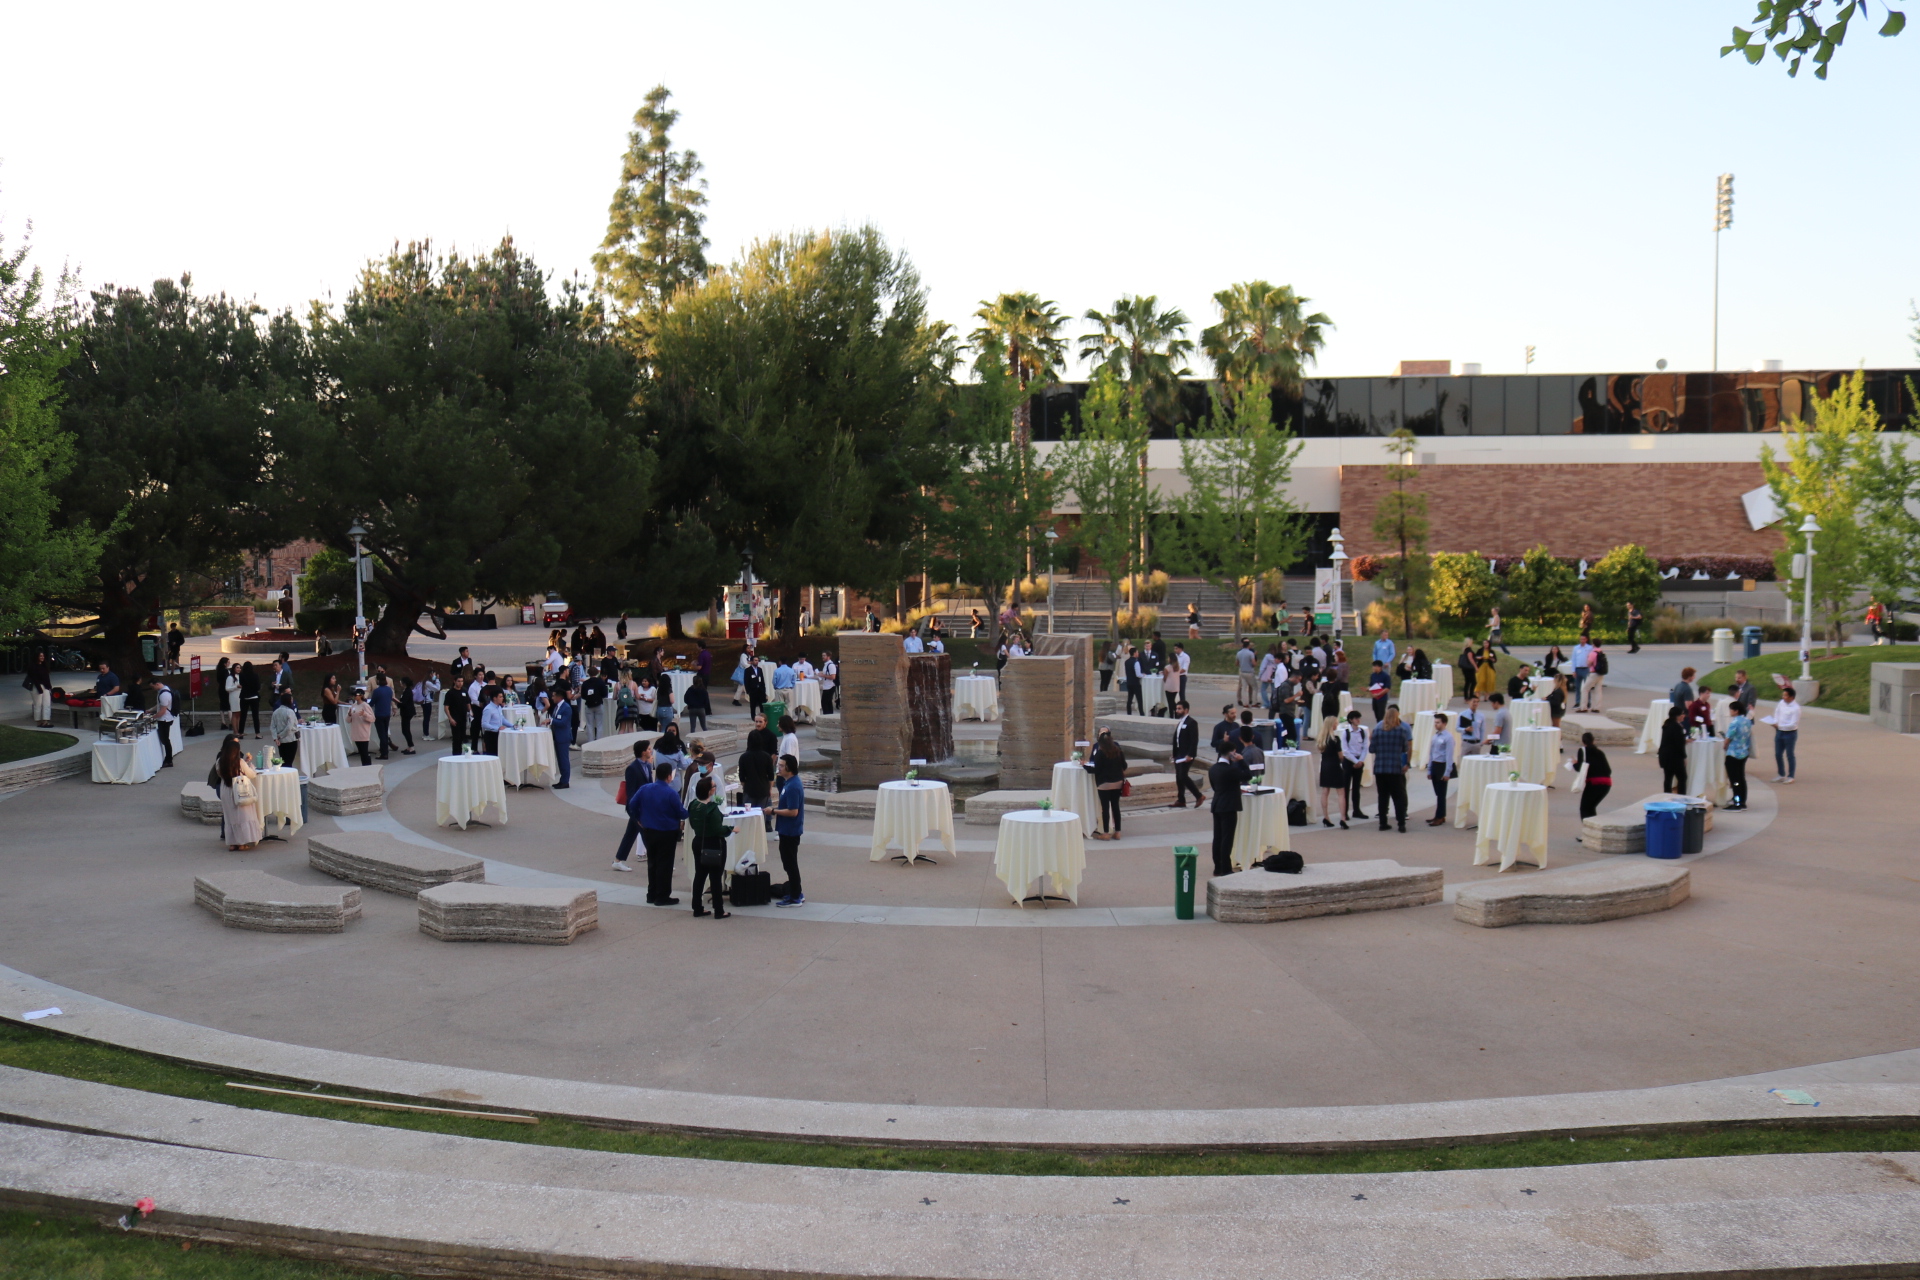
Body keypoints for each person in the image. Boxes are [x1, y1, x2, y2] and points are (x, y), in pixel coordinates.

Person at [631, 762, 687, 906]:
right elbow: (681, 812)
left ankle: (652, 893)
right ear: (669, 777)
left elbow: (632, 804)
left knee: (653, 863)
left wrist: (639, 818)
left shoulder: (645, 789)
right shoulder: (671, 793)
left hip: (649, 831)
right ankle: (662, 896)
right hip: (667, 832)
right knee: (665, 865)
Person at [686, 775, 732, 918]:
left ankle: (697, 907)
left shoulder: (693, 805)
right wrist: (730, 829)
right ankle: (719, 909)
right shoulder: (712, 809)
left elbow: (693, 824)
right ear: (709, 791)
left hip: (698, 841)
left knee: (699, 875)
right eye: (713, 786)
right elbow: (718, 829)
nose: (715, 788)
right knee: (715, 877)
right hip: (714, 844)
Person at [1206, 739, 1253, 875]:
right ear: (1232, 753)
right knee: (1227, 838)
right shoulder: (1231, 769)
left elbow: (1217, 786)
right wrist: (1241, 760)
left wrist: (1234, 788)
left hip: (1217, 804)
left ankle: (1218, 866)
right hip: (1229, 806)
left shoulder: (1213, 768)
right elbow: (1247, 775)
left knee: (1218, 837)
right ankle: (1225, 868)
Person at [611, 740, 656, 871]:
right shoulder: (632, 768)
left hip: (644, 806)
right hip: (637, 809)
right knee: (647, 834)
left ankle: (618, 860)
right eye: (648, 749)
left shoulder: (647, 765)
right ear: (643, 752)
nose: (650, 751)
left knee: (630, 834)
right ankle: (658, 861)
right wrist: (634, 812)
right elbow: (631, 792)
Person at [1369, 705, 1412, 832]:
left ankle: (1383, 822)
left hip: (1380, 768)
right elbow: (1405, 748)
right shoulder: (1401, 731)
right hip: (1395, 767)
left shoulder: (1377, 730)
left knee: (1382, 796)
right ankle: (1401, 823)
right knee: (1398, 796)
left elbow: (1371, 749)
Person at [772, 754, 807, 906]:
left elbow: (793, 811)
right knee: (788, 862)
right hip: (786, 829)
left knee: (790, 863)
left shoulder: (793, 786)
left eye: (781, 765)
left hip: (790, 830)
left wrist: (773, 811)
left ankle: (795, 897)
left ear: (789, 768)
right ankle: (796, 891)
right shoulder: (789, 783)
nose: (778, 768)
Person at [217, 735, 263, 850]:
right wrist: (251, 766)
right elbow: (251, 774)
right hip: (240, 790)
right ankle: (242, 843)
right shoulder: (240, 762)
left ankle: (233, 843)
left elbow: (219, 774)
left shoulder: (219, 761)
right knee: (243, 817)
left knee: (230, 817)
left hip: (225, 790)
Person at [1085, 732, 1129, 841]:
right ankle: (1117, 832)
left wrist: (1084, 765)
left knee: (1105, 808)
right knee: (1115, 807)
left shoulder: (1100, 753)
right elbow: (1125, 766)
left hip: (1104, 784)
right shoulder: (1118, 751)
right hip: (1118, 782)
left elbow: (1095, 770)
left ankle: (1105, 833)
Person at [1337, 710, 1370, 824]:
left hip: (1358, 760)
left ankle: (1356, 810)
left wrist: (1360, 761)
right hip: (1349, 761)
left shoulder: (1362, 732)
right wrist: (1355, 761)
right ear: (1351, 720)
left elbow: (1365, 748)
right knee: (1346, 787)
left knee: (1356, 787)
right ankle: (1344, 811)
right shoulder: (1346, 732)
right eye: (1356, 718)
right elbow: (1345, 751)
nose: (1358, 720)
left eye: (1358, 718)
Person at [1762, 687, 1801, 782]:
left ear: (1791, 697)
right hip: (1779, 731)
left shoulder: (1796, 708)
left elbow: (1793, 724)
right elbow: (1777, 714)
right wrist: (1774, 722)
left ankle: (1791, 776)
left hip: (1790, 733)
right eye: (1783, 695)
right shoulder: (1781, 703)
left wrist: (1779, 726)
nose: (1783, 697)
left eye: (1785, 695)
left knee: (1789, 754)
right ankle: (1781, 774)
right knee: (1778, 754)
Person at [1171, 700, 1205, 808]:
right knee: (1178, 777)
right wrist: (1174, 754)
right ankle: (1181, 800)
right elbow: (1177, 739)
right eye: (1177, 709)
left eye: (1179, 709)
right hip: (1179, 754)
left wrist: (1190, 754)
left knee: (1183, 775)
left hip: (1187, 755)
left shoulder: (1191, 722)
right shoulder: (1180, 722)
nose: (1177, 711)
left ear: (1186, 710)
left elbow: (1194, 740)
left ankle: (1199, 795)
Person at [1313, 715, 1345, 828]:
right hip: (1335, 765)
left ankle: (1326, 816)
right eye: (1336, 723)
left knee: (1325, 791)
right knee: (1341, 792)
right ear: (1332, 725)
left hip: (1325, 766)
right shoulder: (1336, 739)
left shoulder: (1322, 739)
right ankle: (1343, 818)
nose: (1337, 725)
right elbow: (1340, 756)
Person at [1574, 732, 1613, 820]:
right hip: (1606, 784)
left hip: (1593, 784)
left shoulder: (1582, 751)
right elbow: (1609, 770)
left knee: (1584, 808)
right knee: (1591, 807)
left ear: (1583, 741)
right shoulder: (1600, 752)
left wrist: (1574, 764)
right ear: (1593, 740)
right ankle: (1592, 830)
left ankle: (1587, 831)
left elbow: (1580, 768)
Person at [1424, 711, 1455, 826]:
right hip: (1435, 765)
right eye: (1435, 722)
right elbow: (1431, 753)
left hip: (1442, 765)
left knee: (1441, 793)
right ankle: (1438, 814)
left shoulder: (1448, 737)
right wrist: (1429, 769)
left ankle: (1440, 816)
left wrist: (1448, 772)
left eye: (1438, 722)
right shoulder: (1435, 736)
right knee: (1438, 793)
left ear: (1444, 723)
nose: (1436, 724)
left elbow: (1449, 755)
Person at [1657, 704, 1688, 794]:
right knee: (1682, 778)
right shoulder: (1677, 727)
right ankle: (1681, 797)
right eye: (1682, 714)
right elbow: (1679, 745)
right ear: (1677, 716)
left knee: (1668, 778)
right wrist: (1684, 757)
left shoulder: (1667, 725)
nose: (1684, 716)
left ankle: (1666, 796)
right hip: (1674, 757)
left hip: (1665, 756)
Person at [148, 676, 177, 768]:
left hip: (164, 719)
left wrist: (153, 717)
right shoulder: (164, 691)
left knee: (165, 740)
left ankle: (169, 760)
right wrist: (150, 710)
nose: (152, 689)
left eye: (153, 687)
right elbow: (159, 705)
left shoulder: (164, 694)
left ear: (157, 684)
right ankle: (168, 759)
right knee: (165, 739)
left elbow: (162, 710)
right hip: (165, 718)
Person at [344, 687, 375, 766]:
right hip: (356, 733)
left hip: (363, 732)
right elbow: (348, 720)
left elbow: (372, 718)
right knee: (361, 753)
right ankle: (364, 766)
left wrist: (364, 714)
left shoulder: (365, 706)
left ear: (361, 695)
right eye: (354, 695)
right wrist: (349, 715)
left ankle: (368, 766)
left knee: (364, 752)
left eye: (357, 695)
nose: (355, 696)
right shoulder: (353, 706)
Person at [368, 673, 395, 760]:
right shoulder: (389, 690)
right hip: (387, 713)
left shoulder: (377, 691)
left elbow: (372, 703)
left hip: (379, 714)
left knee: (381, 735)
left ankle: (384, 753)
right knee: (385, 732)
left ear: (378, 681)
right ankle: (385, 751)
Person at [270, 691, 298, 772]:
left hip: (281, 742)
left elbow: (272, 726)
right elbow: (289, 727)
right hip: (291, 740)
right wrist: (280, 735)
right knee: (289, 762)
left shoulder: (276, 712)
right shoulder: (290, 712)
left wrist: (276, 738)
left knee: (284, 761)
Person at [479, 687, 508, 757]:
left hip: (498, 734)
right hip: (491, 735)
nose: (502, 698)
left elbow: (502, 719)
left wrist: (512, 725)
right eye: (500, 697)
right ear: (495, 698)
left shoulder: (499, 707)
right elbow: (484, 724)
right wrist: (497, 728)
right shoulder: (488, 709)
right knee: (492, 755)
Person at [27, 648, 52, 726]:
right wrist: (39, 689)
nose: (42, 657)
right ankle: (38, 721)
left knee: (47, 703)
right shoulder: (33, 666)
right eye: (40, 656)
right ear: (37, 657)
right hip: (36, 686)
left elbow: (47, 678)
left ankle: (46, 720)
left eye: (43, 656)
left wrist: (49, 687)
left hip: (45, 686)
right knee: (38, 704)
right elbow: (34, 678)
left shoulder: (44, 666)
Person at [1581, 641, 1608, 711]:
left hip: (1593, 673)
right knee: (1598, 691)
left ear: (1593, 644)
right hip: (1601, 673)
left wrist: (1588, 658)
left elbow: (1588, 664)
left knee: (1585, 689)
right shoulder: (1602, 652)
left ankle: (1583, 707)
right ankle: (1597, 707)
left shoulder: (1593, 653)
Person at [1568, 636, 1593, 709]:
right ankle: (1577, 702)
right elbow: (1574, 659)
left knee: (1587, 686)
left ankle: (1588, 702)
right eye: (1581, 639)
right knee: (1577, 687)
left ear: (1586, 640)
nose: (1582, 640)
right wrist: (1573, 670)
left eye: (1584, 639)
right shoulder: (1576, 648)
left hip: (1586, 669)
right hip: (1578, 668)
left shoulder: (1589, 648)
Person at [238, 661, 262, 738]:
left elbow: (241, 684)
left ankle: (240, 733)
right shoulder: (255, 675)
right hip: (254, 696)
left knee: (243, 716)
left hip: (244, 697)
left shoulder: (241, 675)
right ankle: (257, 733)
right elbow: (258, 687)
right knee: (255, 716)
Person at [1123, 644, 1146, 717]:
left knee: (1129, 698)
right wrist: (1143, 675)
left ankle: (1129, 713)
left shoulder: (1126, 662)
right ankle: (1141, 713)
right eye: (1137, 652)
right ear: (1134, 653)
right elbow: (1138, 674)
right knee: (1139, 699)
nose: (1138, 653)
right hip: (1136, 683)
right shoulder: (1136, 662)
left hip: (1129, 682)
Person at [1234, 639, 1258, 707]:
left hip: (1242, 672)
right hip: (1249, 672)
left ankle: (1245, 703)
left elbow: (1236, 663)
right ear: (1248, 645)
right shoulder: (1250, 653)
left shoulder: (1239, 653)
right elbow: (1254, 663)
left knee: (1244, 688)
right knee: (1254, 687)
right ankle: (1254, 702)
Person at [1169, 642, 1190, 715]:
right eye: (1174, 648)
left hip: (1181, 677)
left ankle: (1184, 709)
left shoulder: (1185, 657)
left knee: (1181, 694)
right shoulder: (1175, 656)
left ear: (1180, 649)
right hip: (1174, 677)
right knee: (1173, 693)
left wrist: (1176, 673)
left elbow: (1184, 669)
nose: (1175, 650)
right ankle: (1175, 709)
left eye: (1176, 648)